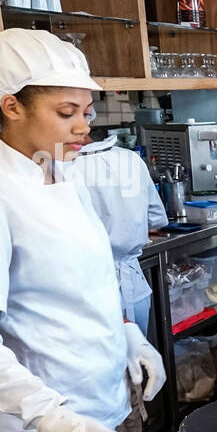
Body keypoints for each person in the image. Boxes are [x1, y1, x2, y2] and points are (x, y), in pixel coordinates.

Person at [0, 29, 166, 432]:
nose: (84, 127)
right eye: (67, 113)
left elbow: (86, 279)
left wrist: (127, 333)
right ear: (11, 107)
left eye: (87, 112)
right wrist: (56, 420)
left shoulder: (64, 174)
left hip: (112, 399)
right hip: (49, 431)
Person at [63, 130, 168, 334]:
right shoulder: (130, 158)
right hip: (136, 288)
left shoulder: (60, 168)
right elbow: (157, 219)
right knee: (141, 360)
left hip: (91, 293)